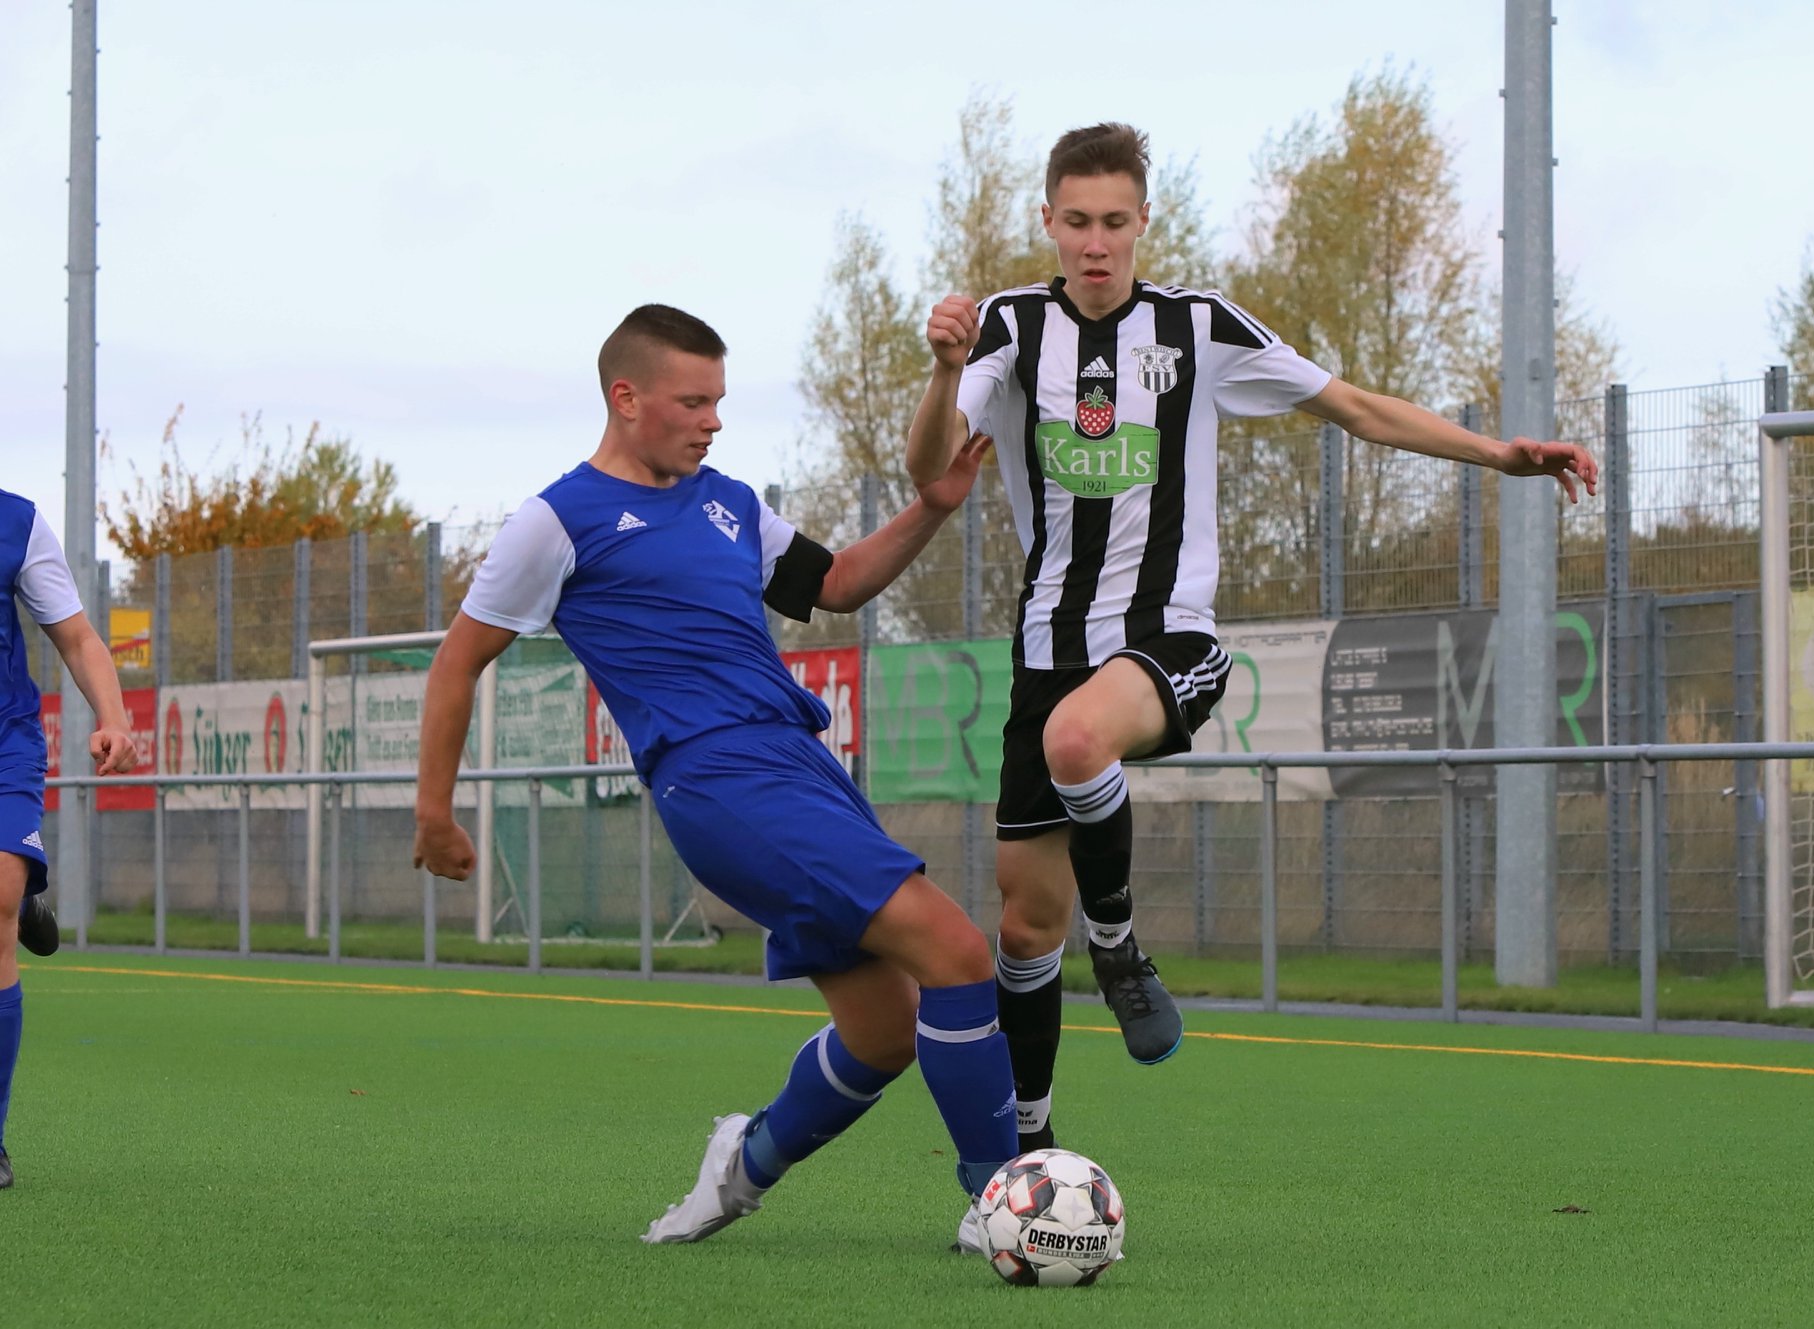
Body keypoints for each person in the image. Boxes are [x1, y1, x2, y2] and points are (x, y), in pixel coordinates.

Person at [907, 123, 1599, 1153]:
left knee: (1077, 742)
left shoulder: (1196, 326)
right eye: (1077, 222)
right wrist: (942, 370)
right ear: (1047, 221)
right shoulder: (1007, 327)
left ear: (1143, 222)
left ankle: (1119, 945)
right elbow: (929, 470)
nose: (1095, 243)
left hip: (1168, 638)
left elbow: (1355, 408)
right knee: (1022, 927)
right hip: (1045, 651)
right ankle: (1030, 1149)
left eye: (1114, 222)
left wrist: (1499, 455)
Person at [412, 304, 1016, 1245]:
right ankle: (1002, 1204)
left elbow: (837, 583)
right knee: (958, 951)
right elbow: (456, 662)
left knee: (883, 1032)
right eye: (693, 402)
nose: (713, 421)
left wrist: (932, 506)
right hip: (719, 782)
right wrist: (434, 811)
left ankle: (740, 1165)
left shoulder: (729, 501)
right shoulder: (555, 521)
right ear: (626, 398)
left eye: (719, 400)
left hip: (800, 764)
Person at [0, 491, 139, 1190]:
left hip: (4, 743)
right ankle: (22, 899)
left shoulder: (17, 523)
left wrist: (114, 717)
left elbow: (78, 638)